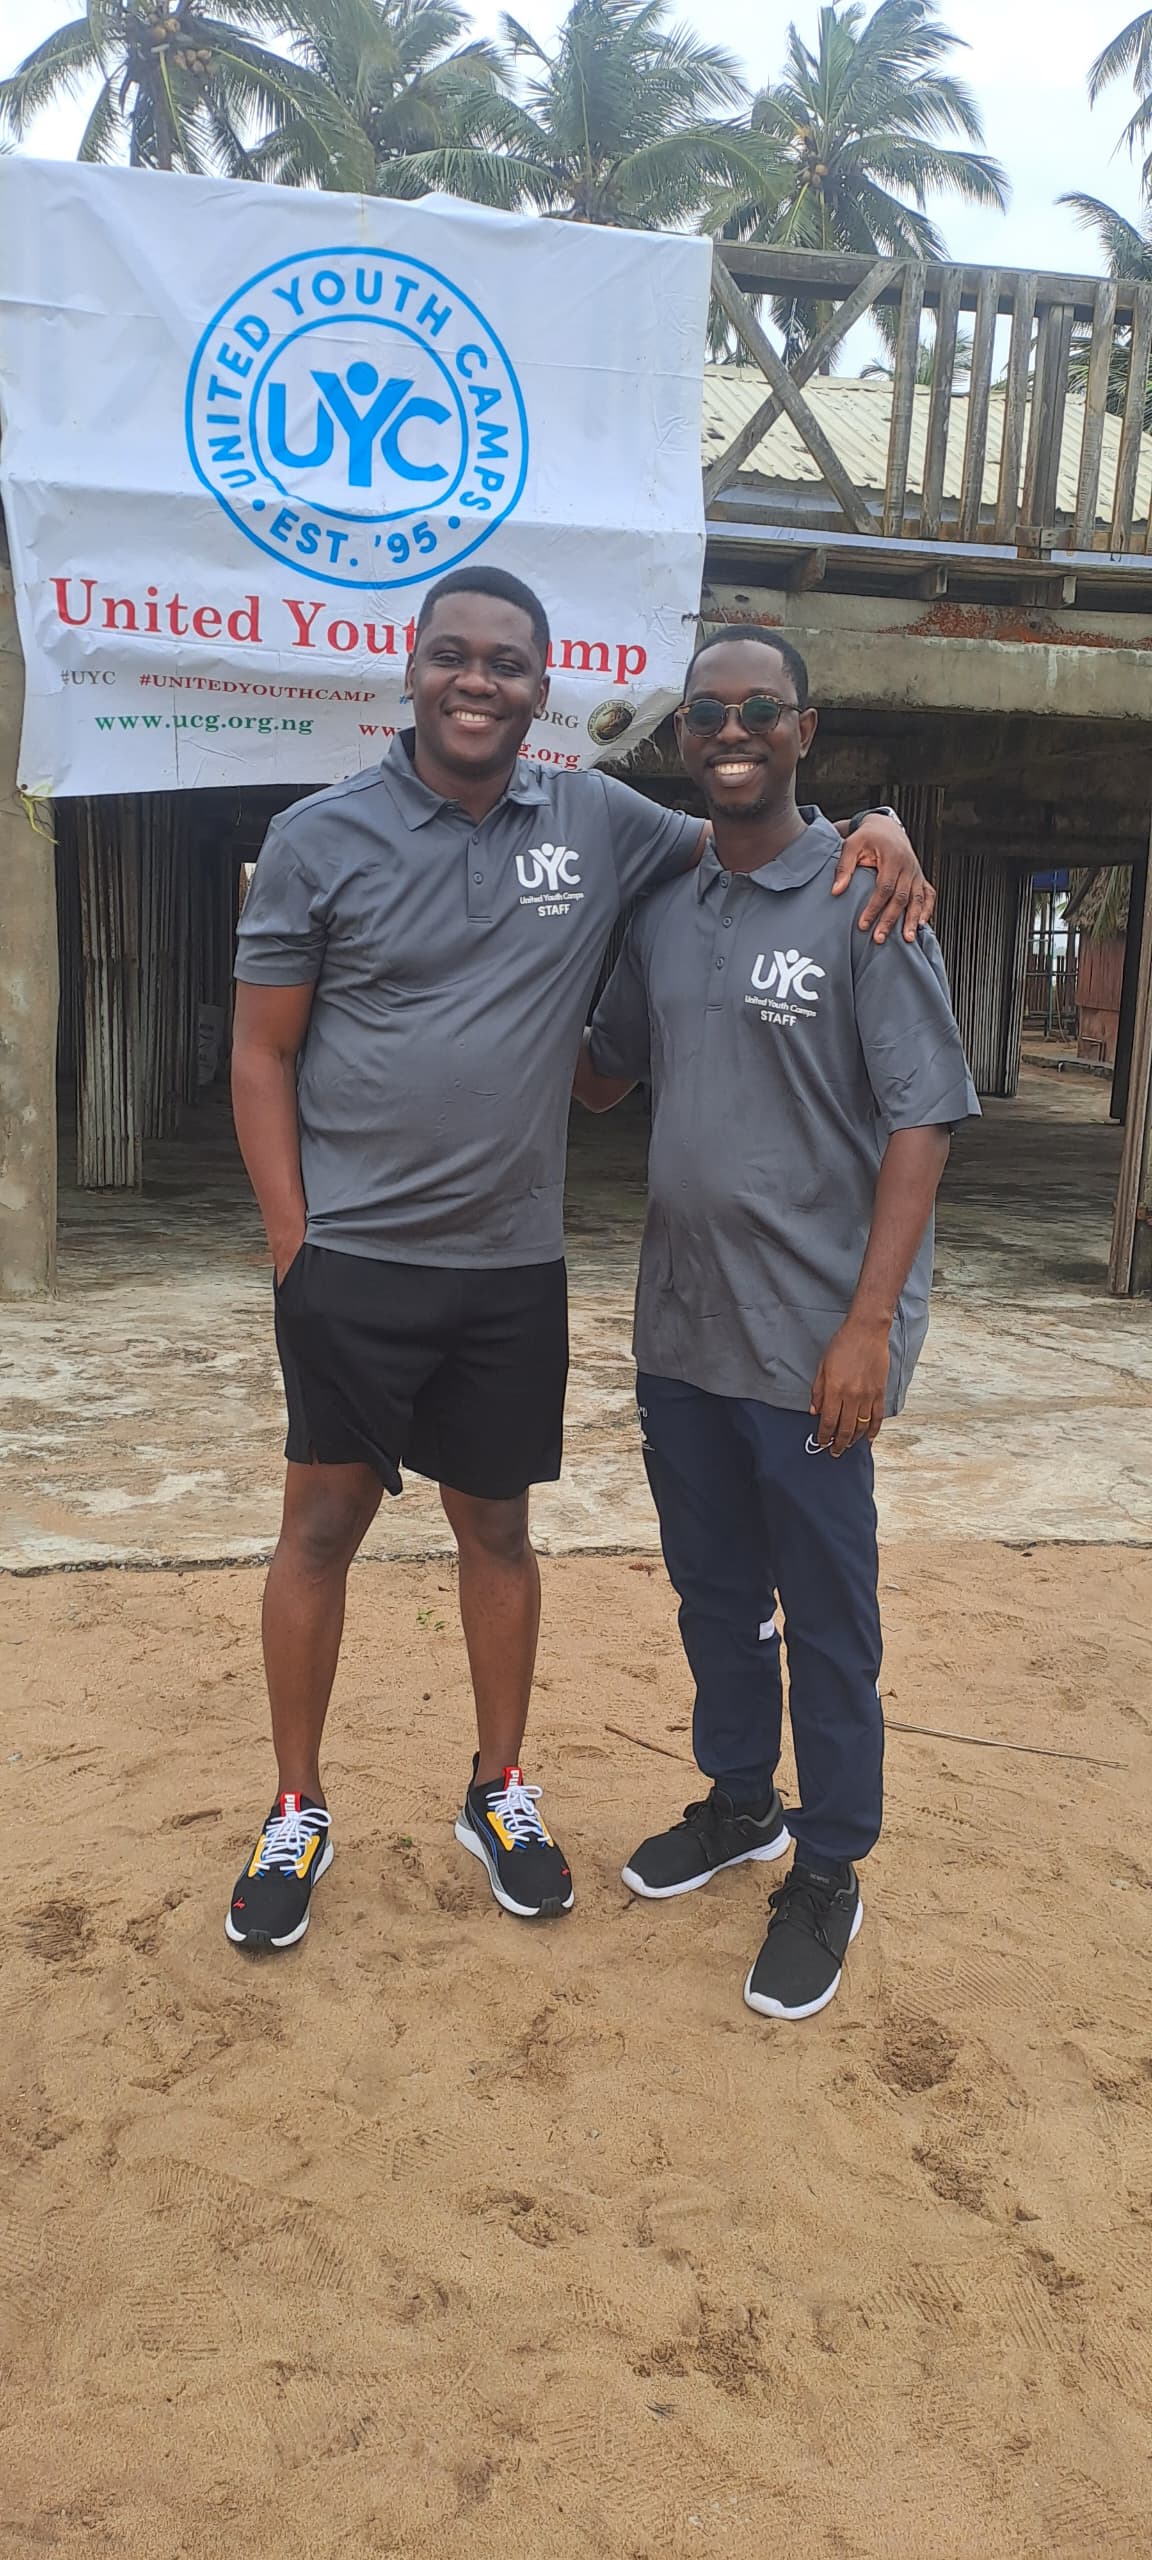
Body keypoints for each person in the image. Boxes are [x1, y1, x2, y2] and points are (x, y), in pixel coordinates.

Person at [226, 567, 933, 1953]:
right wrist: (292, 1245)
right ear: (411, 670)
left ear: (547, 689)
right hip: (356, 1263)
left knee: (500, 1536)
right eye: (453, 657)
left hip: (508, 1272)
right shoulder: (321, 836)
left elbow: (754, 823)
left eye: (506, 662)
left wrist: (879, 823)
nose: (477, 681)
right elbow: (261, 1049)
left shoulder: (602, 820)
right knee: (319, 1532)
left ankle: (501, 1790)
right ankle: (298, 1805)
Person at [576, 625, 979, 2022]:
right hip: (680, 1331)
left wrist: (870, 1326)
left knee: (827, 1619)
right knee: (712, 1596)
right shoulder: (667, 900)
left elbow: (924, 1119)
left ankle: (830, 1864)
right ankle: (741, 1803)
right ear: (682, 740)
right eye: (706, 711)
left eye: (761, 708)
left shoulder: (867, 896)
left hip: (812, 1346)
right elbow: (607, 1075)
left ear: (808, 731)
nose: (730, 727)